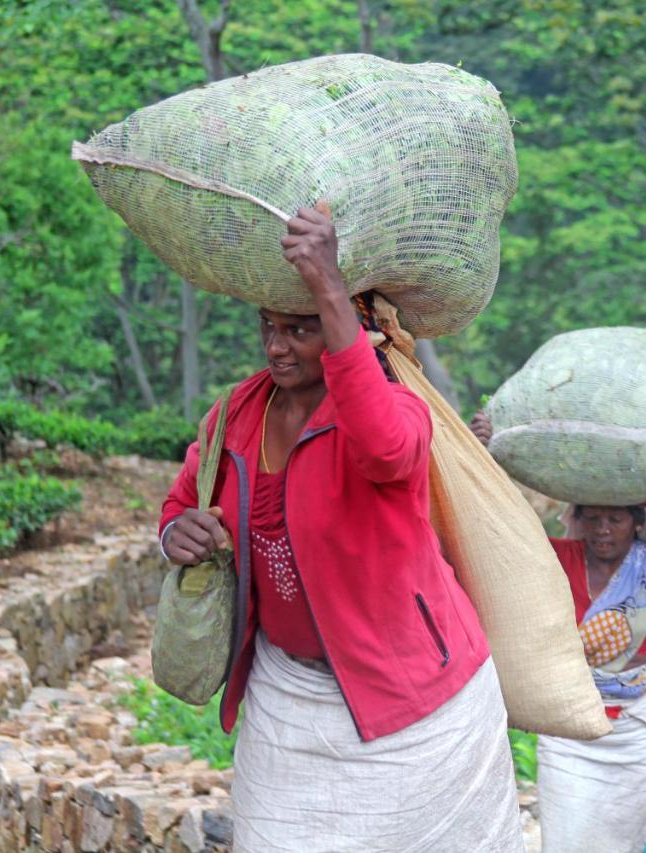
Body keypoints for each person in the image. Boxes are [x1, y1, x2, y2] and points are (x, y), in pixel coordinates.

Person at [158, 207, 522, 851]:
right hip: (286, 700)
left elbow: (387, 451)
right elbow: (182, 503)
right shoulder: (234, 417)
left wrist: (329, 285)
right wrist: (174, 536)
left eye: (300, 329)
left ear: (347, 329)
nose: (276, 346)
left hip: (413, 703)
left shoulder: (395, 409)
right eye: (268, 325)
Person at [469, 411, 646, 853]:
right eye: (594, 519)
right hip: (571, 733)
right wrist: (485, 459)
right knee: (566, 840)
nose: (604, 530)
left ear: (636, 523)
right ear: (579, 521)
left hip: (637, 734)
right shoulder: (560, 559)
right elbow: (504, 533)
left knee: (625, 842)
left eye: (615, 520)